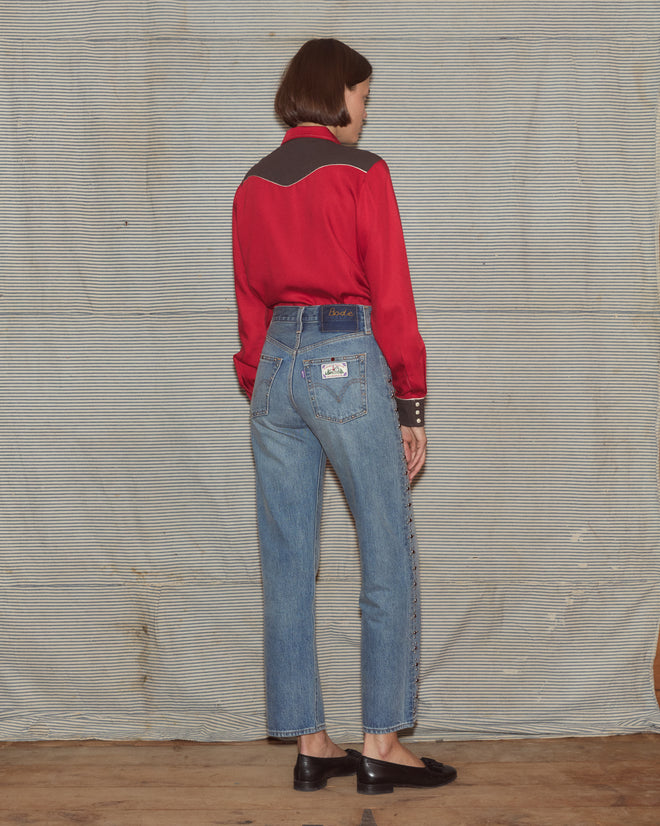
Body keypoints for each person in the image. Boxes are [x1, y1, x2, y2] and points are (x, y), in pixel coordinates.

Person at [232, 38, 457, 795]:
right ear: (337, 95)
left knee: (288, 564)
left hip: (275, 371)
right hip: (346, 359)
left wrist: (260, 378)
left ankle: (310, 743)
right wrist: (410, 398)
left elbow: (248, 304)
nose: (365, 110)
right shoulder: (364, 173)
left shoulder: (253, 183)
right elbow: (390, 291)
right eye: (363, 94)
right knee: (385, 550)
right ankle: (381, 742)